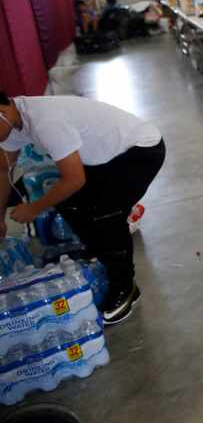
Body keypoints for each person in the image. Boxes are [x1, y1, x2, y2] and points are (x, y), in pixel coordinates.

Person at [0, 92, 165, 325]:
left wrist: (34, 209)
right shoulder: (12, 123)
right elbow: (2, 170)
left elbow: (74, 179)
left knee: (107, 213)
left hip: (140, 150)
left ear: (3, 112)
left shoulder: (46, 122)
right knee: (70, 202)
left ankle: (125, 287)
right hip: (106, 157)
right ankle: (102, 252)